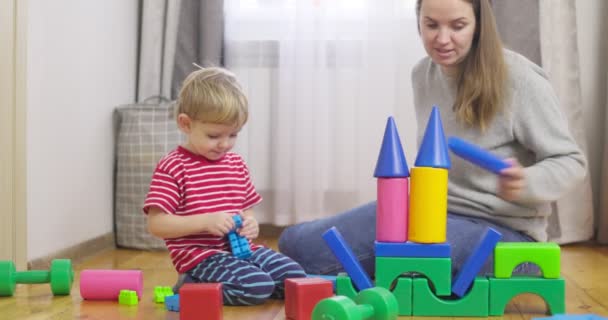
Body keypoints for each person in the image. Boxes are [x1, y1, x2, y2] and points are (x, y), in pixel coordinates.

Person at [278, 0, 587, 278]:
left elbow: (570, 161)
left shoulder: (519, 78)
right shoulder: (423, 74)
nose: (442, 39)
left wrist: (527, 182)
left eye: (458, 26)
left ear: (480, 24)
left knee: (395, 258)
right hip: (431, 215)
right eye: (431, 25)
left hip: (506, 235)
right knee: (296, 245)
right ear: (418, 21)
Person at [143, 67, 306, 306]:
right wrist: (205, 221)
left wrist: (250, 223)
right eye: (213, 136)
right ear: (186, 124)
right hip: (201, 257)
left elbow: (245, 208)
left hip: (242, 250)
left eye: (233, 135)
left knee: (294, 278)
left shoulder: (235, 163)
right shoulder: (173, 167)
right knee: (257, 286)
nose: (224, 144)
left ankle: (242, 283)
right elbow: (157, 224)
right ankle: (192, 285)